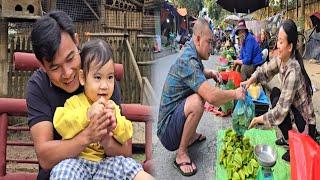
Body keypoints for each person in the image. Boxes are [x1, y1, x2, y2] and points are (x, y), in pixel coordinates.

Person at [27, 10, 152, 179]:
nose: (67, 73)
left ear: (77, 40)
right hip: (65, 171)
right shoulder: (38, 86)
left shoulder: (102, 82)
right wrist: (88, 135)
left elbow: (125, 151)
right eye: (55, 67)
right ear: (42, 65)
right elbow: (45, 157)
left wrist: (106, 136)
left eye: (71, 58)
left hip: (105, 170)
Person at [50, 39, 151, 179]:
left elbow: (127, 133)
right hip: (77, 162)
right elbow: (61, 124)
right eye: (97, 77)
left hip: (105, 163)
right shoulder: (74, 103)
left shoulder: (112, 107)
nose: (104, 85)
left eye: (110, 77)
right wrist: (87, 115)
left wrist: (116, 124)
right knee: (63, 171)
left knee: (128, 166)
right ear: (82, 77)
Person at [157, 18, 245, 177]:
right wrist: (235, 93)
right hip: (167, 132)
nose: (211, 48)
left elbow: (194, 74)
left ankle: (189, 137)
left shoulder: (191, 53)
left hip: (172, 118)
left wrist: (209, 73)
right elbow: (212, 97)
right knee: (198, 101)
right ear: (197, 39)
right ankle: (181, 154)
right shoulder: (189, 60)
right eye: (209, 42)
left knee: (199, 92)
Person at [244, 19, 317, 162]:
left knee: (278, 105)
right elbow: (264, 70)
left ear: (290, 47)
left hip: (305, 123)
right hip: (294, 111)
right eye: (277, 40)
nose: (277, 45)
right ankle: (287, 137)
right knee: (275, 93)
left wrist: (258, 119)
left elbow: (280, 112)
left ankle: (294, 146)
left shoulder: (293, 70)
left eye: (281, 42)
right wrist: (250, 80)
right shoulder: (281, 59)